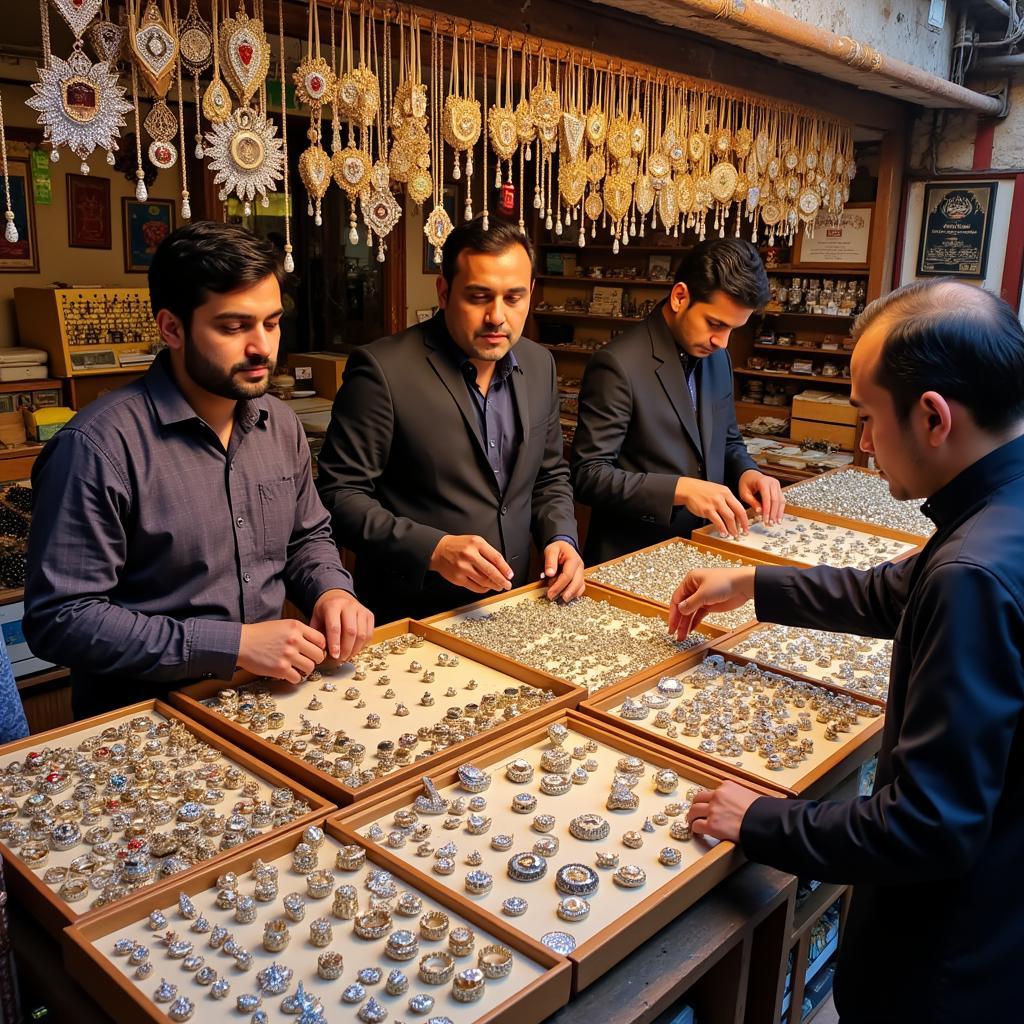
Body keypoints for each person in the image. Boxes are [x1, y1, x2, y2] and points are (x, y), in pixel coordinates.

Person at [669, 278, 1024, 1022]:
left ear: (933, 417)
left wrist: (762, 819)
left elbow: (928, 826)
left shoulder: (974, 573)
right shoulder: (999, 508)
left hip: (946, 967)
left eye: (867, 416)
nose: (864, 441)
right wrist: (756, 585)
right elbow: (895, 591)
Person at [24, 221, 373, 719]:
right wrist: (230, 645)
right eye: (234, 327)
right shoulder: (96, 448)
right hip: (143, 723)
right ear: (172, 328)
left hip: (265, 701)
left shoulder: (279, 424)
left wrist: (332, 589)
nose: (261, 348)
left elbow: (306, 537)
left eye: (271, 323)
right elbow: (61, 619)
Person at [317, 216, 583, 622]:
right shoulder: (382, 370)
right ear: (444, 292)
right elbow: (339, 496)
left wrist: (561, 535)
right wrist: (434, 550)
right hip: (410, 615)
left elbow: (549, 476)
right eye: (479, 297)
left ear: (530, 293)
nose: (497, 317)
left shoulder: (540, 363)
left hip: (514, 604)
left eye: (513, 299)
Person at [571, 238, 784, 564]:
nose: (722, 342)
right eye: (715, 324)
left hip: (705, 547)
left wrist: (747, 472)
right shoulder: (617, 364)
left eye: (734, 330)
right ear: (680, 296)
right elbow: (589, 476)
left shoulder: (718, 358)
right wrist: (679, 490)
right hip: (632, 557)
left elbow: (727, 443)